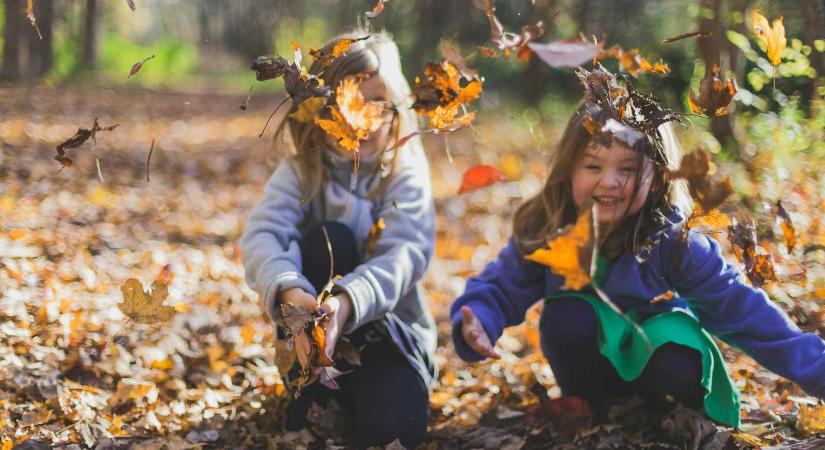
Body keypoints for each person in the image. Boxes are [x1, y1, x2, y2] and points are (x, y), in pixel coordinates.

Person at [451, 66, 825, 428]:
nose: (609, 182)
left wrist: (817, 371)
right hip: (589, 372)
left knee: (675, 346)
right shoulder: (550, 227)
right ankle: (594, 406)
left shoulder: (674, 241)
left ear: (659, 177)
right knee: (568, 316)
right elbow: (502, 285)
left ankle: (664, 414)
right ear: (569, 169)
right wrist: (481, 319)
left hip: (663, 369)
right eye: (593, 166)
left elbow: (742, 310)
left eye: (627, 169)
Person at [241, 31, 435, 448]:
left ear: (395, 109)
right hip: (311, 349)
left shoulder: (404, 173)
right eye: (343, 102)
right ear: (317, 110)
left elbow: (405, 254)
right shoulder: (301, 172)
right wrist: (290, 291)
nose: (358, 119)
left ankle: (376, 398)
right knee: (329, 237)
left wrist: (346, 304)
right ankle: (312, 393)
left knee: (395, 433)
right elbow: (263, 234)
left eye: (374, 104)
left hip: (391, 343)